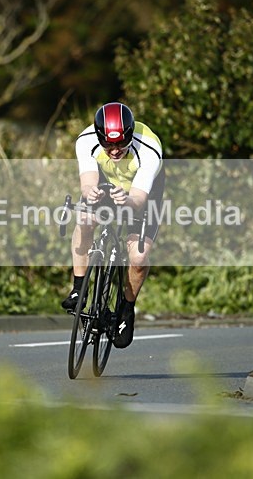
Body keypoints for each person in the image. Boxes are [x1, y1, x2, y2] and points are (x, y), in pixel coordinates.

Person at [62, 102, 165, 348]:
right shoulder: (86, 140)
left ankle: (126, 310)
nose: (115, 150)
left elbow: (139, 200)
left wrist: (126, 201)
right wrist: (91, 195)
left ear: (130, 135)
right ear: (100, 137)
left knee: (139, 257)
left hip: (141, 193)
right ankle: (79, 289)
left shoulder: (149, 148)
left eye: (121, 143)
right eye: (109, 144)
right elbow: (87, 184)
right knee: (85, 219)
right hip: (107, 183)